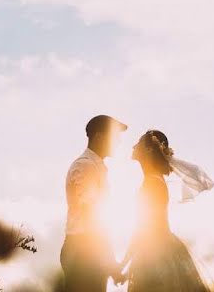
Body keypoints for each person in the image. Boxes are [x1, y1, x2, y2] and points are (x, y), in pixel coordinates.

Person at [121, 130, 214, 292]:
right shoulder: (155, 180)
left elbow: (143, 228)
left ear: (149, 149)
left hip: (156, 255)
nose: (133, 146)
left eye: (138, 143)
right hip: (158, 250)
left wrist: (123, 264)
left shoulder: (152, 183)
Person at [61, 114, 128, 292]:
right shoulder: (86, 166)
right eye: (115, 137)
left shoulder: (95, 166)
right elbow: (92, 216)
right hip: (83, 251)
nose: (119, 143)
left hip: (89, 250)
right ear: (99, 136)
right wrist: (109, 261)